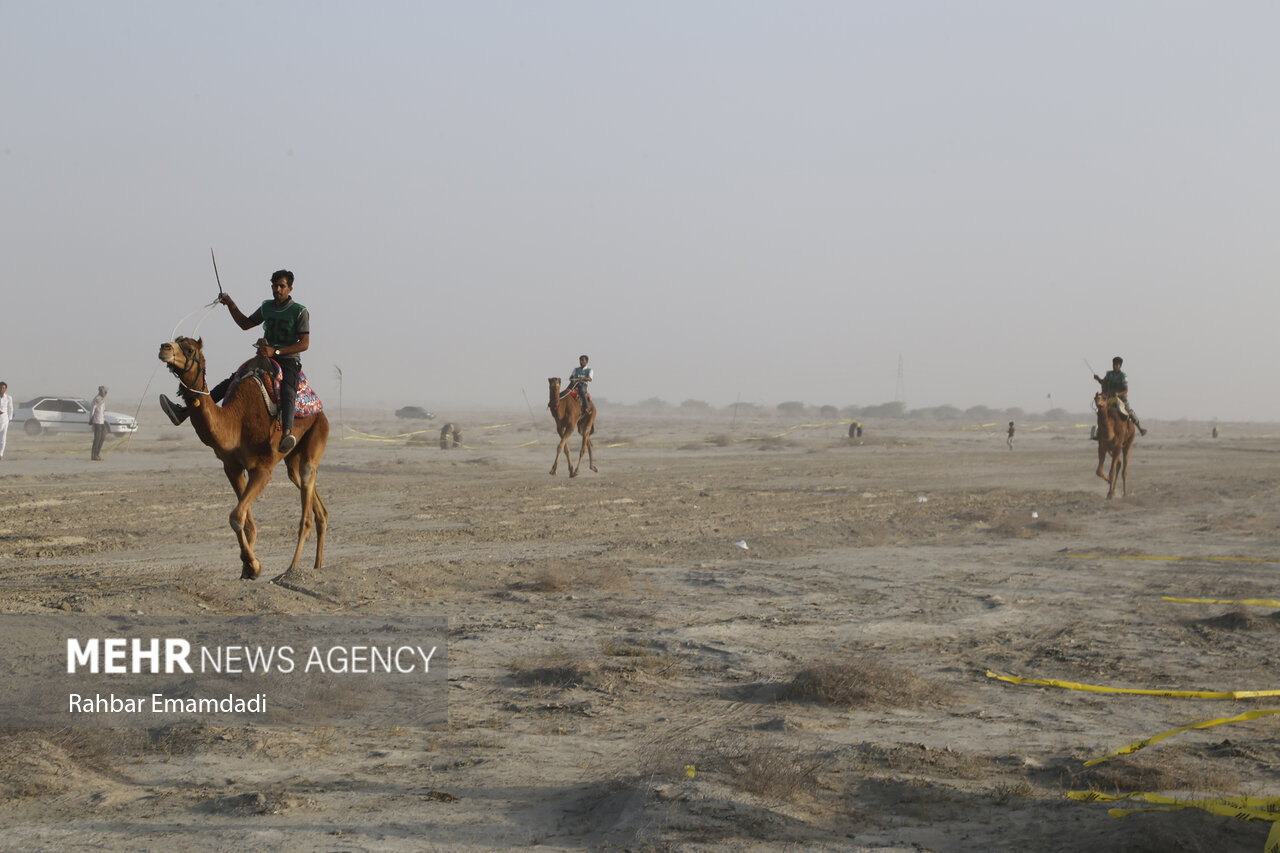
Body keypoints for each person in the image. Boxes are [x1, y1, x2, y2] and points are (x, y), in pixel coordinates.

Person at [160, 269, 310, 453]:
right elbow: (245, 324)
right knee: (234, 379)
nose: (277, 289)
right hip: (264, 357)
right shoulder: (267, 307)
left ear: (290, 288)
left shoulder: (299, 312)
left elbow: (304, 344)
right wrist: (230, 304)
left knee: (288, 390)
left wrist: (276, 350)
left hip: (288, 360)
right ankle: (184, 412)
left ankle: (287, 433)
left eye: (282, 286)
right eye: (274, 286)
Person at [1093, 356, 1147, 436]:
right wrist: (1098, 379)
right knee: (1101, 411)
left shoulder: (1123, 376)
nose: (1114, 366)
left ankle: (1139, 428)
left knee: (1129, 411)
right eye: (1113, 364)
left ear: (1120, 366)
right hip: (1109, 397)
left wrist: (1118, 394)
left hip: (1121, 398)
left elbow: (1126, 390)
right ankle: (1098, 432)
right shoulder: (1109, 374)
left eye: (1116, 365)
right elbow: (1103, 382)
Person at [90, 385, 109, 461]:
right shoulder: (97, 399)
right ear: (101, 391)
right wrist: (91, 419)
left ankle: (97, 454)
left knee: (102, 437)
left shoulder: (102, 399)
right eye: (105, 392)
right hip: (97, 421)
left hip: (102, 421)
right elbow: (92, 409)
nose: (106, 393)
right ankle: (94, 455)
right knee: (97, 439)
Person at [0, 381, 12, 461]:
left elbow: (10, 408)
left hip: (5, 418)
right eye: (0, 388)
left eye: (3, 388)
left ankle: (1, 453)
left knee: (3, 437)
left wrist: (10, 418)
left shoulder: (8, 398)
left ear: (6, 389)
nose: (1, 389)